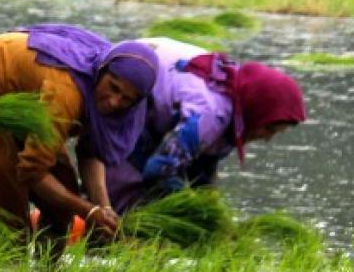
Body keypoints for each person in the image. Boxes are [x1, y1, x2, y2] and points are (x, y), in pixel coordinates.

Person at [0, 25, 159, 252]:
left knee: (63, 199)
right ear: (101, 72)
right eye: (113, 88)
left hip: (26, 105)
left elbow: (91, 149)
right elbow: (33, 171)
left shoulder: (106, 96)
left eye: (126, 99)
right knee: (8, 216)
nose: (114, 102)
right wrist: (88, 211)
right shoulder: (67, 91)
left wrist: (104, 209)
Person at [105, 37, 306, 213]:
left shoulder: (237, 108)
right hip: (126, 86)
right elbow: (160, 169)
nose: (268, 138)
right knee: (123, 197)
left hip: (159, 103)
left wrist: (211, 211)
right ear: (256, 111)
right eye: (269, 128)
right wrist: (191, 209)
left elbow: (201, 171)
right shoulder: (210, 115)